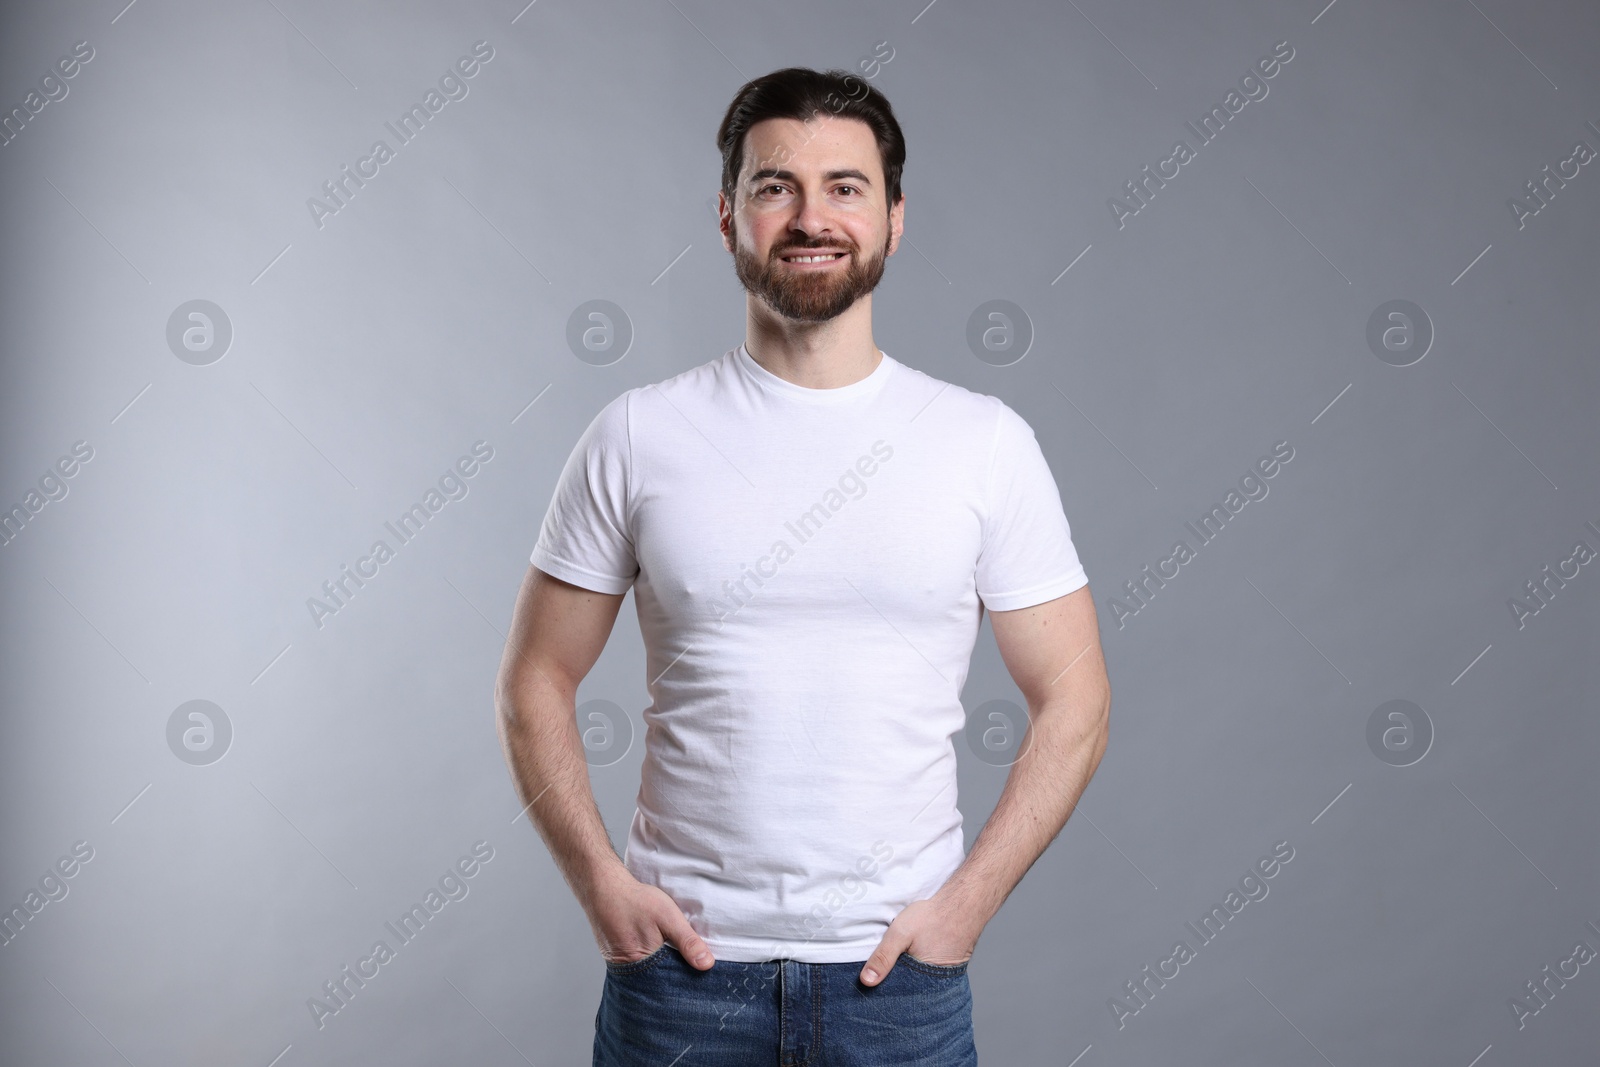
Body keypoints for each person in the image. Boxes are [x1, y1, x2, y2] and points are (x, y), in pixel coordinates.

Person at [495, 66, 1111, 1065]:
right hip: (680, 983)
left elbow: (1075, 694)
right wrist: (601, 884)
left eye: (845, 187)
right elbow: (533, 680)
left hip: (897, 985)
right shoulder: (637, 435)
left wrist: (966, 905)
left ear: (895, 218)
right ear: (729, 217)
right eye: (775, 186)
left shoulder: (981, 442)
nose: (810, 216)